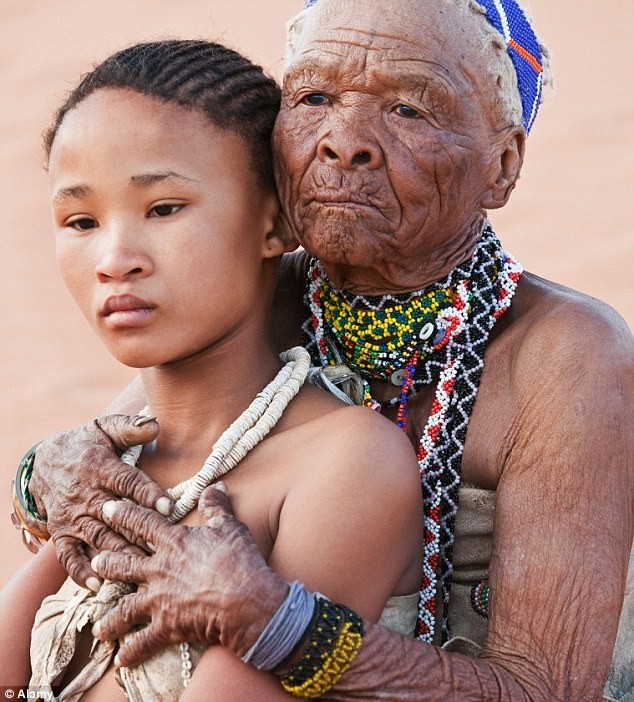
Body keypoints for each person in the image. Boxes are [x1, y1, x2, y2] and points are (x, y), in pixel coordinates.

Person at [10, 0, 633, 699]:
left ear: (503, 163)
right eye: (313, 97)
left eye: (408, 110)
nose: (345, 141)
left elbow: (547, 689)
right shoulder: (270, 289)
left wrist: (280, 627)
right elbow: (127, 448)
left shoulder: (567, 356)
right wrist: (42, 476)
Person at [0, 38, 426, 699]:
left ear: (275, 223)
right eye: (80, 220)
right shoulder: (103, 465)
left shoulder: (347, 465)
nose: (115, 258)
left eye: (164, 208)